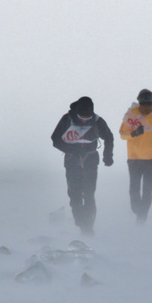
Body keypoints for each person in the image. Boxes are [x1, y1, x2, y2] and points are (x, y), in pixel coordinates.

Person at [51, 96, 114, 236]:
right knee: (75, 195)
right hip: (72, 159)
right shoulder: (67, 119)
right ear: (77, 113)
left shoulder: (98, 121)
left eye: (88, 118)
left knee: (89, 194)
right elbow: (55, 139)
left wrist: (108, 156)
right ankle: (80, 222)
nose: (85, 120)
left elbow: (109, 137)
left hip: (91, 158)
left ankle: (88, 228)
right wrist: (72, 150)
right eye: (81, 117)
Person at [119, 89, 152, 223]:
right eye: (144, 105)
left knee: (147, 189)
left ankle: (142, 217)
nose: (146, 108)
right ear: (140, 103)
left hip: (151, 159)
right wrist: (134, 133)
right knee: (134, 189)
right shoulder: (132, 115)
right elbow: (122, 134)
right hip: (134, 159)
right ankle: (137, 211)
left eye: (149, 105)